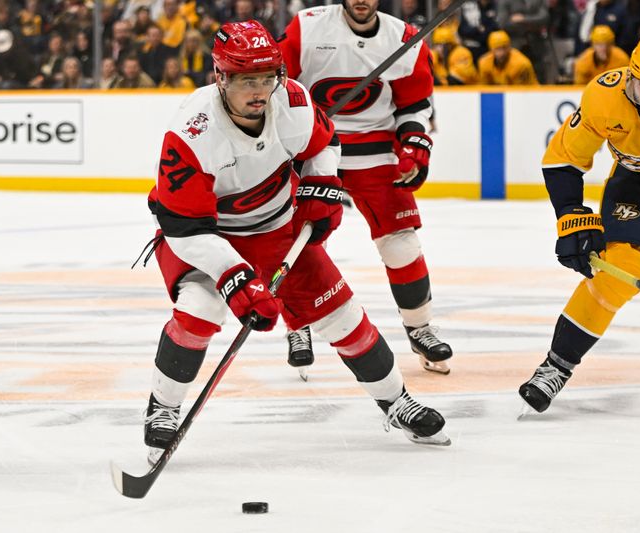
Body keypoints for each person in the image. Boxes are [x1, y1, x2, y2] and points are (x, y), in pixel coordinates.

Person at [141, 20, 450, 463]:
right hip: (208, 237)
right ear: (221, 76)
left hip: (277, 230)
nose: (260, 91)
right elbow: (185, 230)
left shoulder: (293, 101)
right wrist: (234, 277)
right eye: (248, 79)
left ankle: (396, 401)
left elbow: (325, 143)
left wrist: (319, 183)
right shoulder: (191, 133)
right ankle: (163, 409)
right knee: (200, 309)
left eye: (267, 78)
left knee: (342, 314)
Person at [278, 0, 454, 376]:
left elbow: (415, 103)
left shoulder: (402, 38)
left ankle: (419, 326)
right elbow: (279, 87)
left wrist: (413, 144)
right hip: (316, 146)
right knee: (301, 242)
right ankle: (298, 326)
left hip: (374, 149)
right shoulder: (306, 28)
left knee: (401, 240)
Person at [519, 30, 640, 415]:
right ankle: (556, 366)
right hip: (636, 184)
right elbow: (563, 159)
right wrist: (570, 215)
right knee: (615, 273)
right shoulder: (606, 94)